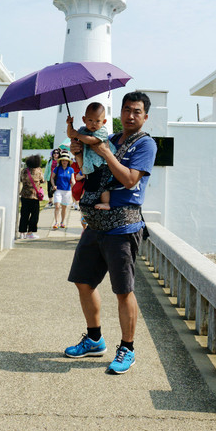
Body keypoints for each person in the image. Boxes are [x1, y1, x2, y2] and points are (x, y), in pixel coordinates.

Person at [64, 91, 157, 375]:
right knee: (83, 281)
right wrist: (80, 154)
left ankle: (127, 347)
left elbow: (130, 180)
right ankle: (94, 339)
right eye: (127, 109)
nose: (130, 115)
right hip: (95, 224)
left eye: (136, 111)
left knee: (123, 290)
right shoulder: (109, 136)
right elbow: (91, 173)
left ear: (145, 116)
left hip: (123, 226)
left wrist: (105, 153)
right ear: (119, 113)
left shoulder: (145, 144)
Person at [66, 102, 114, 210]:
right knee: (92, 184)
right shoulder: (83, 130)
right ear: (84, 119)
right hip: (90, 164)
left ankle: (106, 203)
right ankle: (91, 201)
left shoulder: (102, 131)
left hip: (103, 163)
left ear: (104, 122)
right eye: (90, 120)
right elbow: (71, 134)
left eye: (98, 121)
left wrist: (78, 135)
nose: (93, 124)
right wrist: (70, 125)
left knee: (103, 185)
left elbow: (92, 140)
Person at [18, 155, 45, 240]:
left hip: (24, 195)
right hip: (34, 196)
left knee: (24, 214)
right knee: (34, 215)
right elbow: (43, 180)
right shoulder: (39, 170)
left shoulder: (24, 171)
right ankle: (30, 233)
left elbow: (21, 180)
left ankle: (22, 233)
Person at [51, 152, 75, 229]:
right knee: (57, 206)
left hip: (67, 191)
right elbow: (52, 178)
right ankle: (56, 222)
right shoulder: (57, 169)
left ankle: (62, 222)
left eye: (66, 160)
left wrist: (74, 185)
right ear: (61, 161)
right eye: (63, 160)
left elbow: (73, 179)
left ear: (68, 162)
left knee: (64, 207)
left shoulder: (71, 169)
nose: (64, 162)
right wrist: (53, 185)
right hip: (58, 190)